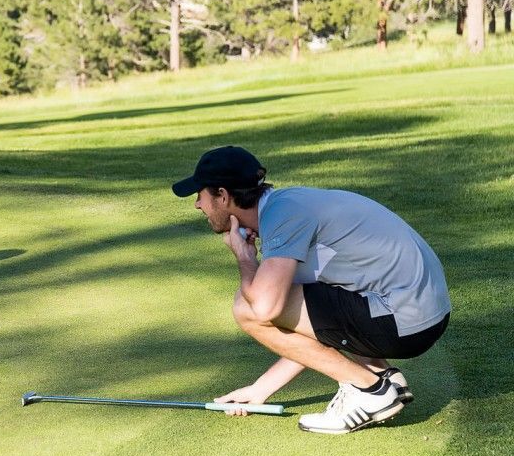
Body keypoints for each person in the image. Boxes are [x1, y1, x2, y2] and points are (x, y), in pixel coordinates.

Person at [173, 146, 451, 434]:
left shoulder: (283, 216)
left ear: (223, 196)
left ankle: (370, 391)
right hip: (420, 316)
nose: (197, 205)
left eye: (200, 196)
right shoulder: (285, 205)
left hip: (403, 323)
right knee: (286, 294)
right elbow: (311, 324)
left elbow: (265, 309)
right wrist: (261, 388)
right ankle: (380, 376)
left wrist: (245, 258)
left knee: (247, 307)